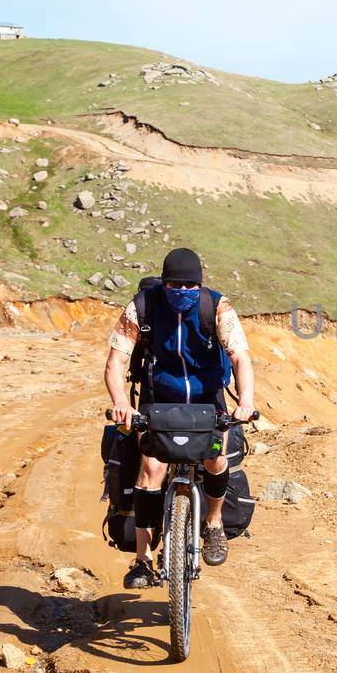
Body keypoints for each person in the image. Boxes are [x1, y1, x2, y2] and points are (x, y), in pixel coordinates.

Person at [104, 247, 256, 588]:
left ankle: (213, 524)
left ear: (199, 286)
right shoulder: (142, 306)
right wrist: (121, 403)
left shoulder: (216, 307)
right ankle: (142, 560)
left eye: (190, 287)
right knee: (150, 470)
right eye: (175, 286)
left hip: (207, 399)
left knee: (216, 460)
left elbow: (240, 359)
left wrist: (245, 401)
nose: (183, 293)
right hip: (159, 399)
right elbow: (116, 362)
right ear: (164, 283)